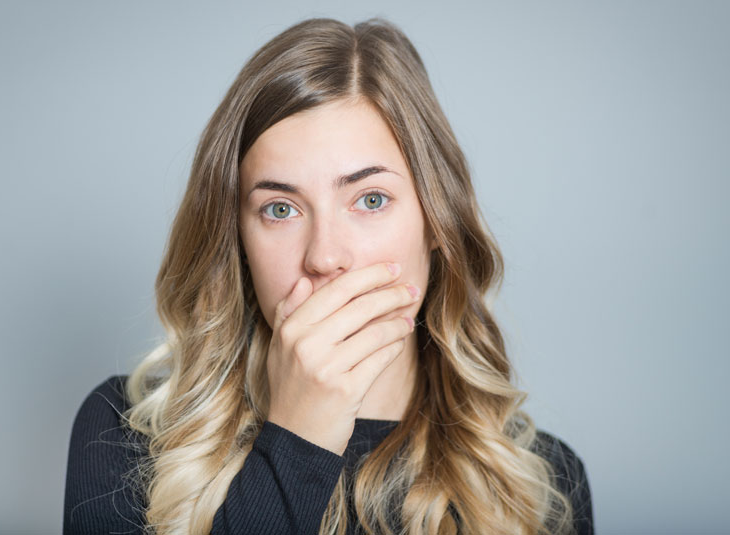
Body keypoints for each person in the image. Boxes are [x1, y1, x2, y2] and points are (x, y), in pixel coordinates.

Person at [63, 16, 594, 535]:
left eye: (370, 199)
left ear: (437, 222)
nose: (324, 257)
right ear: (239, 239)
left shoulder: (543, 482)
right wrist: (298, 436)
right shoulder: (124, 433)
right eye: (280, 209)